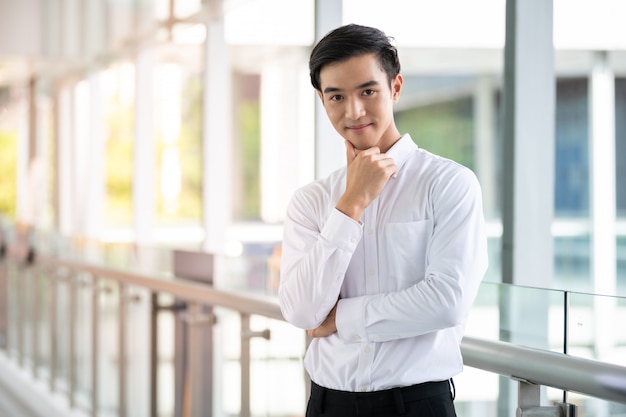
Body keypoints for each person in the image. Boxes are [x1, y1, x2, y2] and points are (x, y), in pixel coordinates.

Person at [278, 23, 488, 417]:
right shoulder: (312, 201)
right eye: (336, 96)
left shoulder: (449, 184)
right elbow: (302, 312)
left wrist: (341, 316)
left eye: (367, 91)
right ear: (322, 101)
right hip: (328, 403)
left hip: (417, 404)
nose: (353, 111)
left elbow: (446, 302)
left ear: (395, 87)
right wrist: (351, 205)